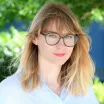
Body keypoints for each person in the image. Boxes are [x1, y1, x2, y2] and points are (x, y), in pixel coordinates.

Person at [0, 2, 99, 104]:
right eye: (52, 36)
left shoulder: (84, 90)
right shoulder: (11, 89)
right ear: (35, 38)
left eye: (68, 37)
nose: (61, 46)